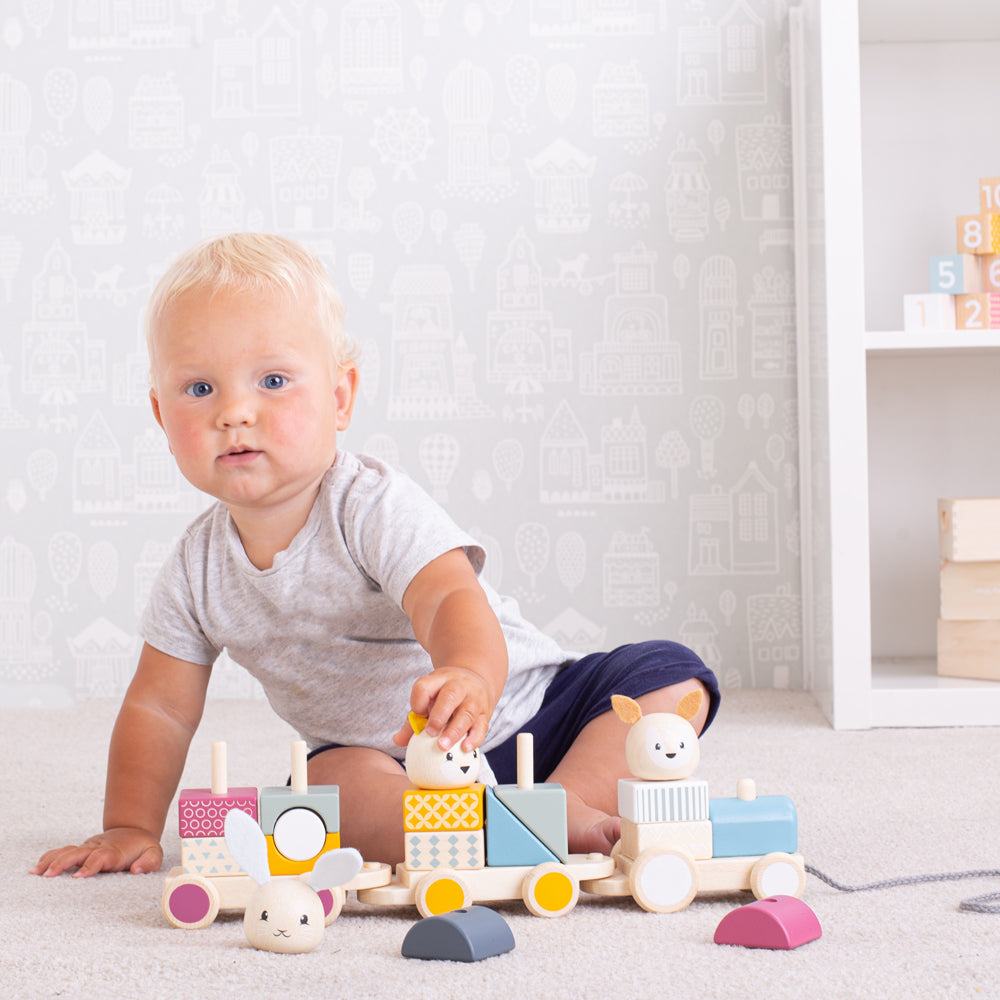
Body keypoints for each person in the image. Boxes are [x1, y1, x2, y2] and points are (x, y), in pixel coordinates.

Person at [32, 233, 719, 878]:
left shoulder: (367, 503)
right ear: (160, 415)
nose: (234, 411)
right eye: (200, 388)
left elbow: (448, 594)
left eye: (272, 381)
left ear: (339, 397)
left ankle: (563, 804)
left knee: (667, 678)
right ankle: (470, 829)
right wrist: (127, 824)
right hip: (393, 762)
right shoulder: (196, 568)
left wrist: (468, 673)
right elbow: (160, 708)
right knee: (325, 788)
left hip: (534, 716)